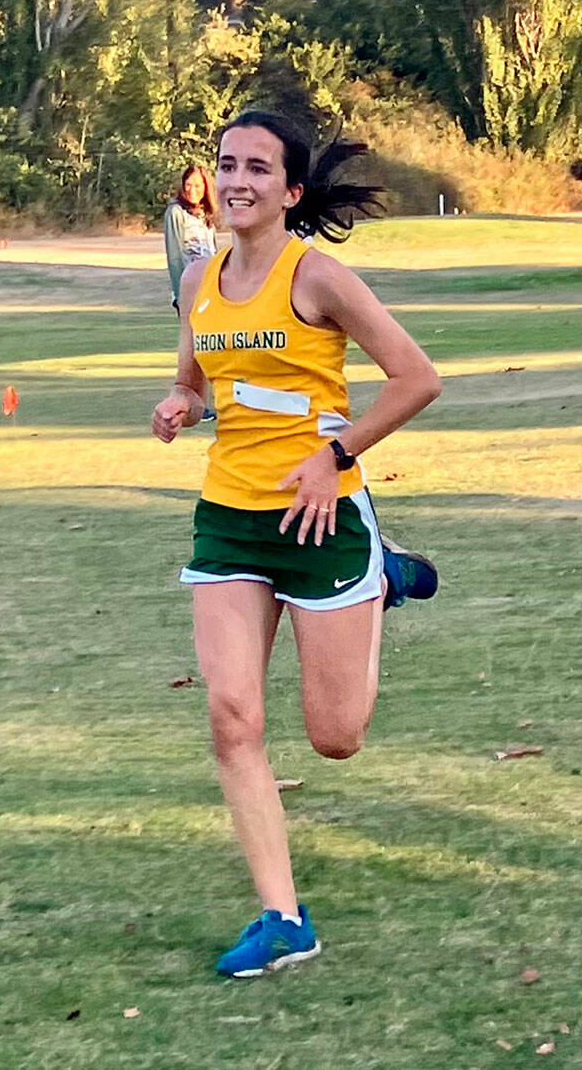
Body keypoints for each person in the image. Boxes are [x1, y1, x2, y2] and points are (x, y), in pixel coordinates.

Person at [152, 111, 441, 978]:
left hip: (321, 521)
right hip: (230, 518)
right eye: (226, 163)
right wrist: (182, 405)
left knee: (335, 737)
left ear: (290, 190)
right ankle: (283, 917)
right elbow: (194, 378)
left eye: (256, 168)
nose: (236, 179)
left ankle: (378, 577)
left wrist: (335, 456)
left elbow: (417, 378)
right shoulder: (201, 279)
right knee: (232, 717)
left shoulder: (318, 276)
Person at [163, 165, 219, 421]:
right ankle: (198, 402)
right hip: (191, 290)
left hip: (212, 287)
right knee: (195, 347)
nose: (192, 190)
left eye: (197, 185)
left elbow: (213, 251)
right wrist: (180, 294)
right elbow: (175, 256)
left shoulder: (205, 215)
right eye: (188, 185)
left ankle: (222, 399)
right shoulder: (176, 213)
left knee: (214, 344)